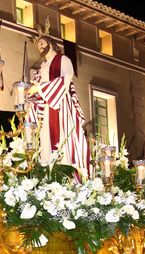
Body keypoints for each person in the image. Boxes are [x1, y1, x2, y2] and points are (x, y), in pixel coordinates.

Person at [27, 20, 89, 181]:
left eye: (42, 43)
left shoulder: (63, 60)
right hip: (48, 107)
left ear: (51, 43)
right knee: (45, 138)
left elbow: (67, 78)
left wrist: (40, 88)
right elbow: (37, 87)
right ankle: (49, 176)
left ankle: (68, 176)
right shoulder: (42, 66)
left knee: (64, 138)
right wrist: (31, 94)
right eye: (38, 45)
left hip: (62, 104)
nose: (40, 46)